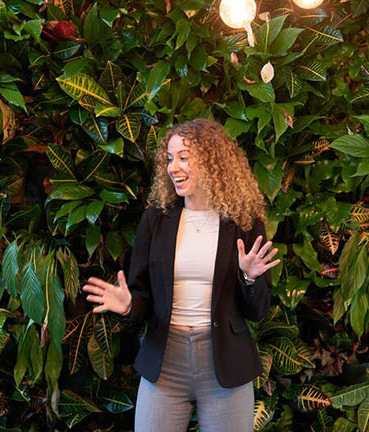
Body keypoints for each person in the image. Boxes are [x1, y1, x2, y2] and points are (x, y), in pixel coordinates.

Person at [82, 118, 280, 432]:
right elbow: (142, 298)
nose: (173, 167)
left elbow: (257, 312)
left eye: (184, 158)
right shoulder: (155, 221)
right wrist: (127, 305)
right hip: (166, 363)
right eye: (170, 158)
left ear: (213, 161)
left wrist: (250, 278)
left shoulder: (243, 223)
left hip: (224, 367)